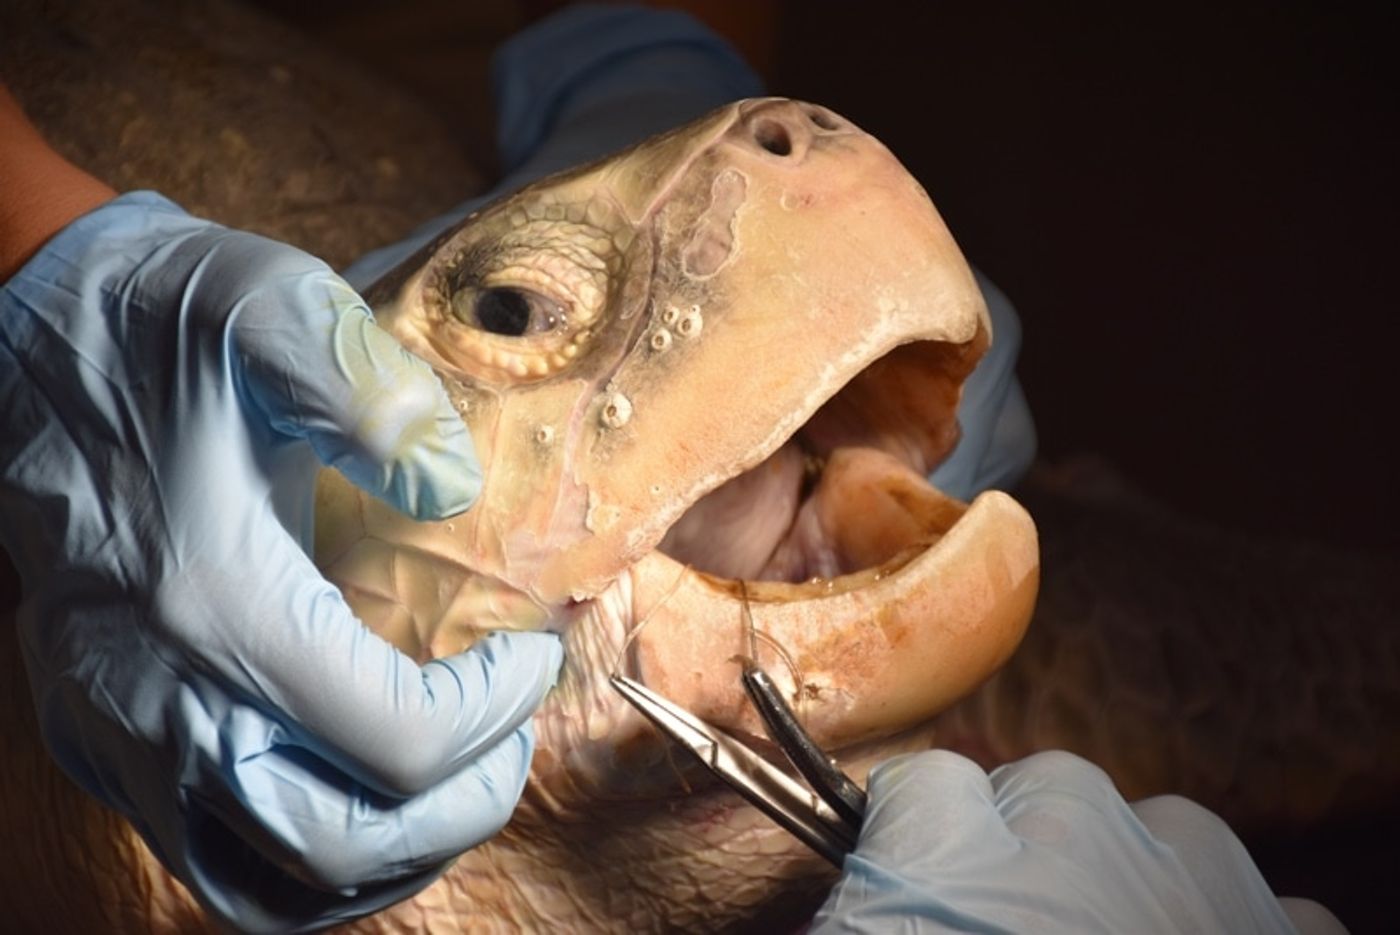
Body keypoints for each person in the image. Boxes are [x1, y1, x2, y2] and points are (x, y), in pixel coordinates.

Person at [0, 4, 1339, 932]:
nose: (791, 139)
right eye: (512, 310)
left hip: (434, 105)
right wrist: (38, 261)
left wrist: (657, 76)